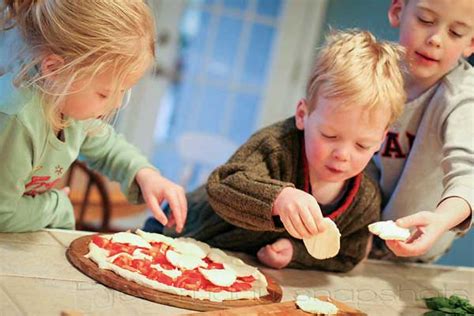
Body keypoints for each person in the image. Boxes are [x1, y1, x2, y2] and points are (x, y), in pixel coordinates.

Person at [144, 30, 407, 272]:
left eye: (361, 145)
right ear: (303, 115)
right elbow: (222, 186)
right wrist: (279, 198)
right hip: (177, 230)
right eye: (330, 136)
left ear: (380, 140)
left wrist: (296, 252)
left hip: (229, 264)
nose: (343, 154)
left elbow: (350, 254)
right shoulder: (276, 146)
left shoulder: (364, 200)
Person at [0, 0, 187, 232]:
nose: (117, 103)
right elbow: (2, 213)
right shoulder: (15, 119)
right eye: (104, 93)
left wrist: (145, 174)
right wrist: (56, 206)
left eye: (122, 92)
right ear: (55, 70)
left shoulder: (64, 100)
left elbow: (106, 146)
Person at [368, 0, 474, 262]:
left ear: (471, 44)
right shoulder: (370, 74)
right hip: (355, 238)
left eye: (456, 33)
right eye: (426, 20)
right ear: (397, 11)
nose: (436, 39)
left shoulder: (462, 99)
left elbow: (469, 174)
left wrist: (441, 219)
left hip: (412, 256)